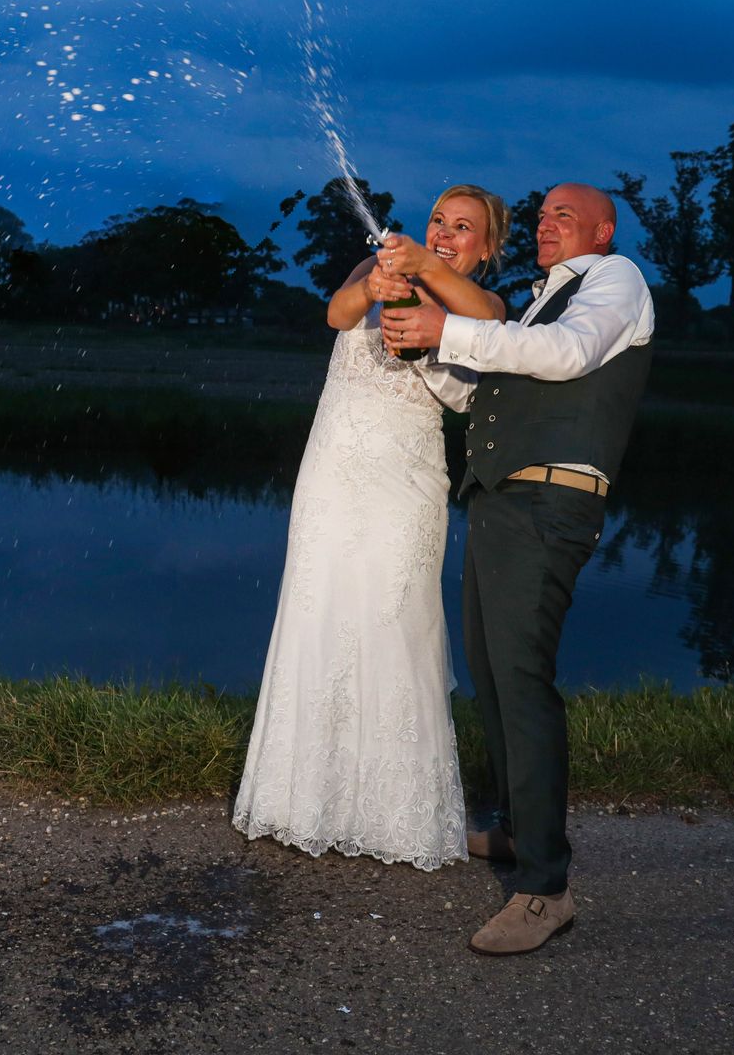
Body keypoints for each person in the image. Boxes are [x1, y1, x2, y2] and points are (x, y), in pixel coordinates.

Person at [379, 180, 654, 955]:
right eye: (542, 217)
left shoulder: (614, 282)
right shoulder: (540, 302)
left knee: (523, 680)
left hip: (550, 506)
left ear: (604, 230)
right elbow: (484, 397)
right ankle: (513, 827)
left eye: (566, 215)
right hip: (501, 503)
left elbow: (566, 357)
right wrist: (425, 349)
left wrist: (448, 327)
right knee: (493, 675)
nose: (547, 225)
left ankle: (545, 890)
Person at [233, 185, 511, 871]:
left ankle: (394, 815)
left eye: (464, 228)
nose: (446, 234)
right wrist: (376, 283)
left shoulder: (486, 309)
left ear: (487, 247)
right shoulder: (377, 265)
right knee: (318, 612)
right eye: (439, 221)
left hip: (404, 481)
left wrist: (425, 274)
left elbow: (490, 324)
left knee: (393, 621)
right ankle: (299, 801)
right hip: (333, 468)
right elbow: (337, 312)